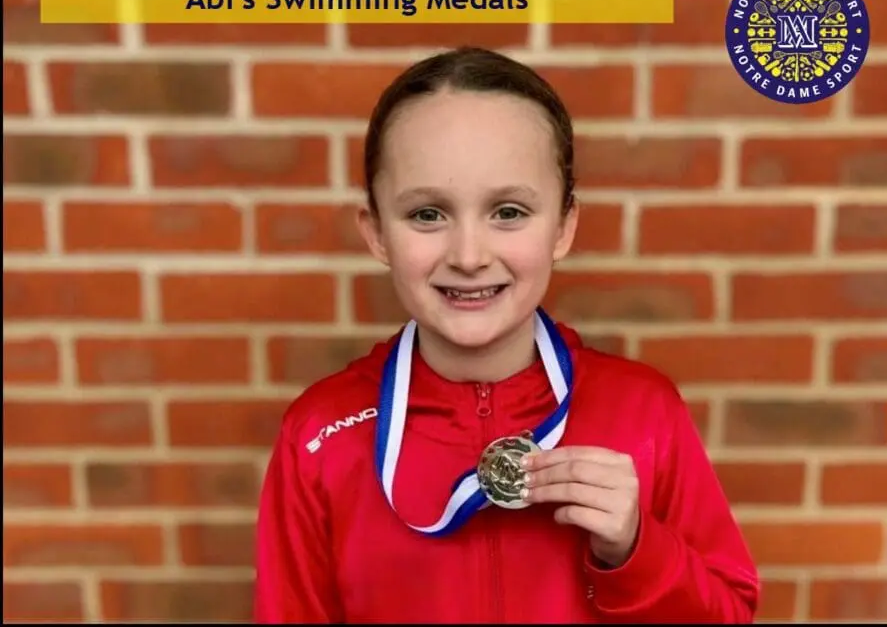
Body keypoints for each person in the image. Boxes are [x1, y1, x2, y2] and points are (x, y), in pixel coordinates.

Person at [254, 46, 760, 624]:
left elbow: (730, 615)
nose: (469, 256)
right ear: (375, 233)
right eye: (427, 215)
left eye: (510, 211)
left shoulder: (645, 414)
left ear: (564, 225)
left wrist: (636, 550)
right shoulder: (319, 435)